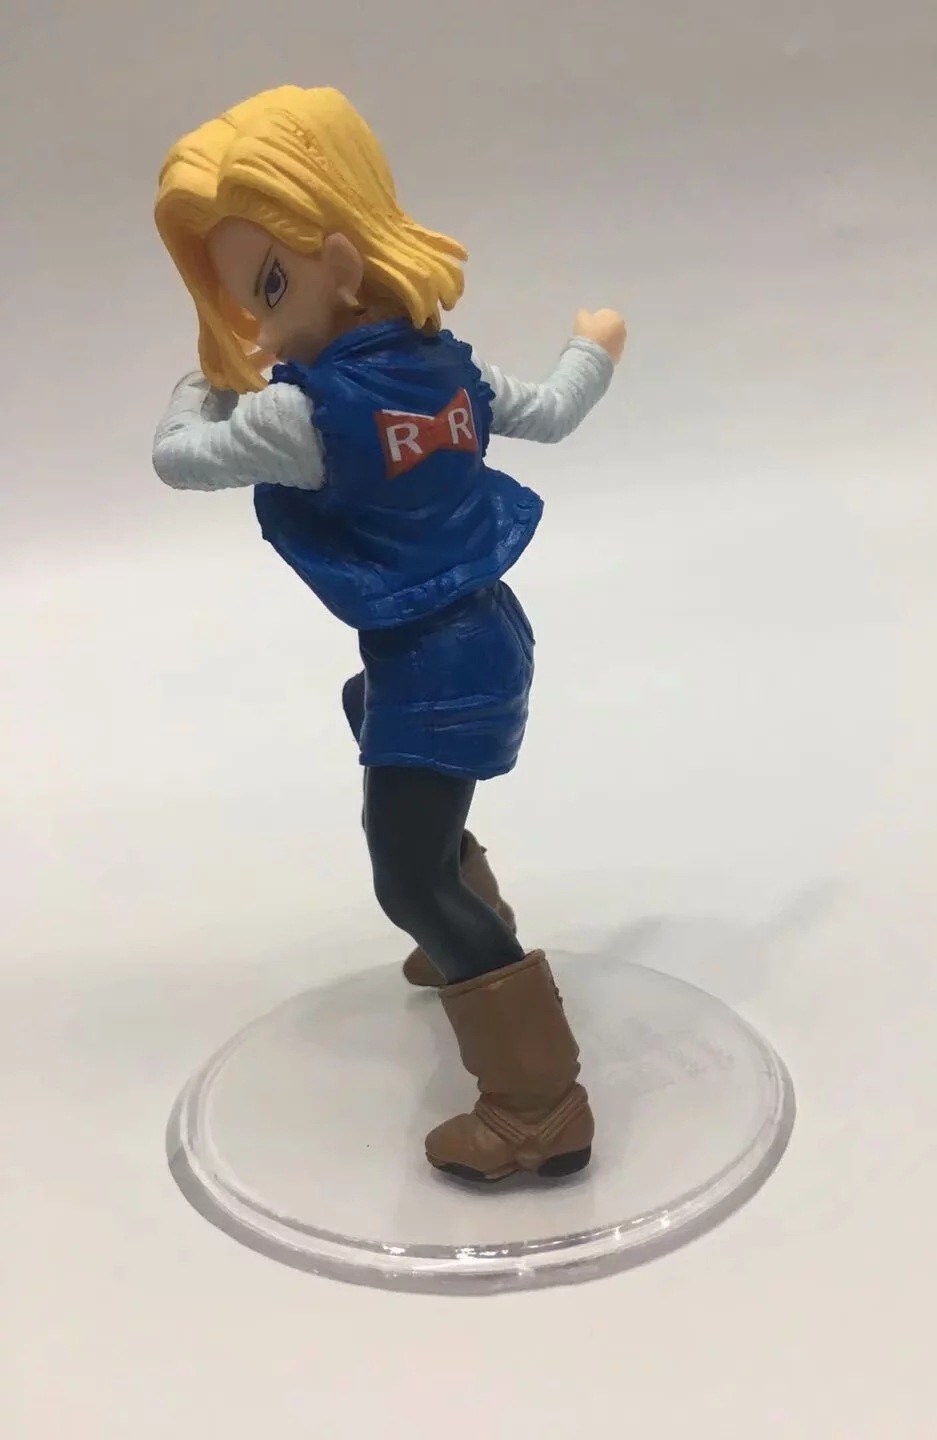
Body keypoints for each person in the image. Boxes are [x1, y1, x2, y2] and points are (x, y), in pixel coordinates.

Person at [151, 84, 625, 1183]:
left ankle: (537, 1104)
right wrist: (593, 346)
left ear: (340, 260)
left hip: (433, 655)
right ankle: (468, 927)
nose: (256, 326)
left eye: (268, 287)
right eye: (244, 300)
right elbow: (553, 411)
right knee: (368, 721)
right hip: (485, 633)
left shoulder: (300, 415)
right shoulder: (450, 367)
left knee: (405, 879)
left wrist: (195, 384)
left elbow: (176, 459)